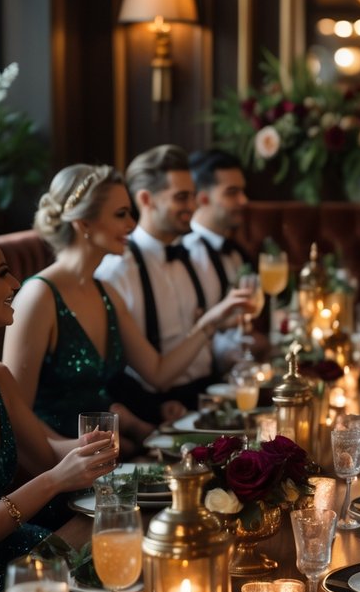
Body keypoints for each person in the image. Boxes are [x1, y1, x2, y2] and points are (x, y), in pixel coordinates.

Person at [3, 164, 248, 449]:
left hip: (105, 456)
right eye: (121, 215)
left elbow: (159, 373)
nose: (132, 225)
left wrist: (212, 322)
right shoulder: (39, 296)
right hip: (52, 463)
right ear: (84, 224)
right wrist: (67, 456)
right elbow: (13, 415)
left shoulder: (105, 293)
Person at [0, 223, 117, 592]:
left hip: (22, 555)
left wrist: (91, 446)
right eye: (1, 273)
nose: (16, 282)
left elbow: (47, 454)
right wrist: (53, 482)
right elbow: (50, 475)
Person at [97, 146, 248, 421]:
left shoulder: (194, 254)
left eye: (192, 196)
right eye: (181, 197)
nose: (192, 206)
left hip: (209, 397)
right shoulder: (117, 270)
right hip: (154, 408)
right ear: (146, 199)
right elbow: (112, 369)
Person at [185, 148, 256, 371]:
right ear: (203, 198)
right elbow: (187, 330)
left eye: (242, 191)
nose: (243, 200)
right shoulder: (184, 253)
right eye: (232, 192)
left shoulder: (236, 253)